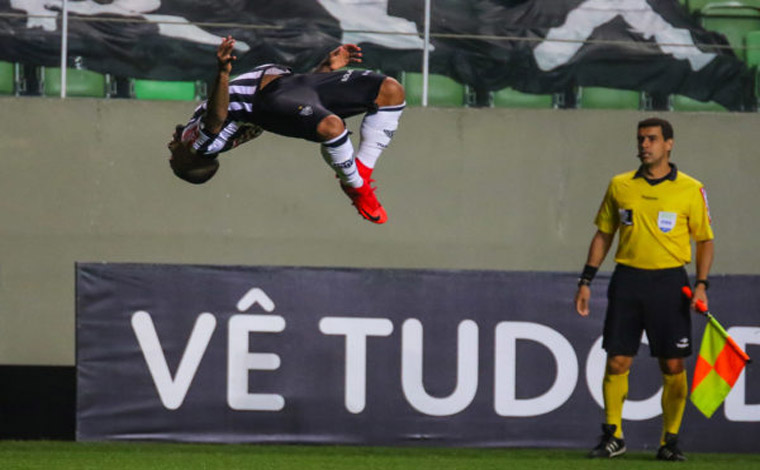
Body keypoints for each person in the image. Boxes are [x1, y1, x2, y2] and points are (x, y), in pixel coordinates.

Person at [573, 117, 714, 461]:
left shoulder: (690, 188)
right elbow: (604, 234)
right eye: (640, 139)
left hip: (670, 284)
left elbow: (705, 240)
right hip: (628, 281)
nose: (644, 145)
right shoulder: (620, 185)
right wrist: (586, 281)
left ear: (669, 144)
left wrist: (701, 284)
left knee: (673, 366)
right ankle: (613, 436)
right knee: (618, 360)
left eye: (651, 139)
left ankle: (670, 441)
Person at [168, 36, 406, 224]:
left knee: (390, 90)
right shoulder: (203, 146)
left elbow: (298, 99)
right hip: (266, 103)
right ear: (189, 161)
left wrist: (325, 67)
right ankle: (355, 184)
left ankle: (362, 170)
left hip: (296, 84)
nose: (169, 148)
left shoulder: (190, 135)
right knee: (332, 127)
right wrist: (222, 72)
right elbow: (216, 116)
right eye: (173, 159)